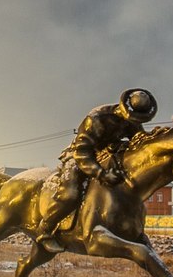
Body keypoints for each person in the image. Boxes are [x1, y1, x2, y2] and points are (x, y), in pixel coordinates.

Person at [36, 88, 158, 253]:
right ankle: (45, 230)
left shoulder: (133, 121)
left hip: (105, 156)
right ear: (125, 108)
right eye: (134, 118)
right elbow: (82, 152)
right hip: (79, 157)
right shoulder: (97, 119)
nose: (135, 122)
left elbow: (138, 143)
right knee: (70, 193)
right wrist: (102, 174)